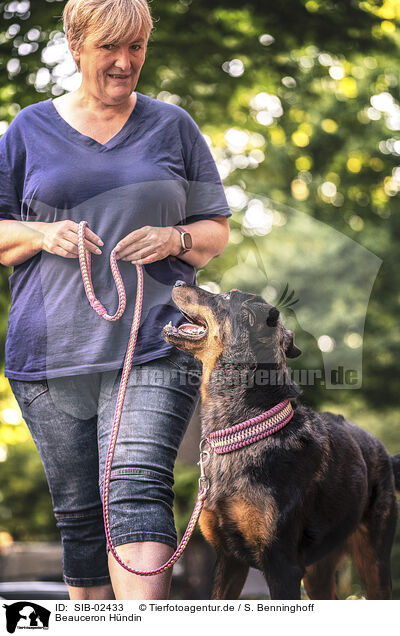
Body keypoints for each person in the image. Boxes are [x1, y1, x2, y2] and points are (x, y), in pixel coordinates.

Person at [0, 0, 231, 600]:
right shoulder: (27, 129)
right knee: (79, 513)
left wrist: (174, 236)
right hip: (51, 352)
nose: (126, 62)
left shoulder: (173, 126)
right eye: (110, 47)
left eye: (137, 48)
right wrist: (39, 234)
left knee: (136, 484)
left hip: (157, 341)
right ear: (77, 45)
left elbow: (214, 231)